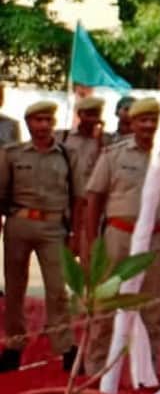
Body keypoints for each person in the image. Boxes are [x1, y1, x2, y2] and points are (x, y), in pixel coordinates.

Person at [79, 97, 160, 382]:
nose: (148, 125)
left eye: (153, 120)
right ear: (131, 124)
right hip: (119, 236)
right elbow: (94, 197)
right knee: (107, 301)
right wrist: (93, 239)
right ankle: (96, 368)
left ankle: (146, 371)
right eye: (142, 120)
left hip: (157, 239)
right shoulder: (115, 154)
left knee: (154, 305)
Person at [1, 101, 81, 373]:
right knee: (14, 289)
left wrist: (77, 233)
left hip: (53, 227)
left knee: (58, 290)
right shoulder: (11, 154)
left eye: (48, 120)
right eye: (38, 120)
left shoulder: (67, 156)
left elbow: (78, 197)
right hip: (19, 225)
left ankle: (65, 347)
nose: (44, 126)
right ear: (28, 124)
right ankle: (14, 347)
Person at [58, 95, 108, 187]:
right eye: (89, 114)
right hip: (68, 190)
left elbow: (104, 167)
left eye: (96, 114)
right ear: (79, 114)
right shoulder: (63, 136)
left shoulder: (106, 140)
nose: (92, 119)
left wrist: (99, 140)